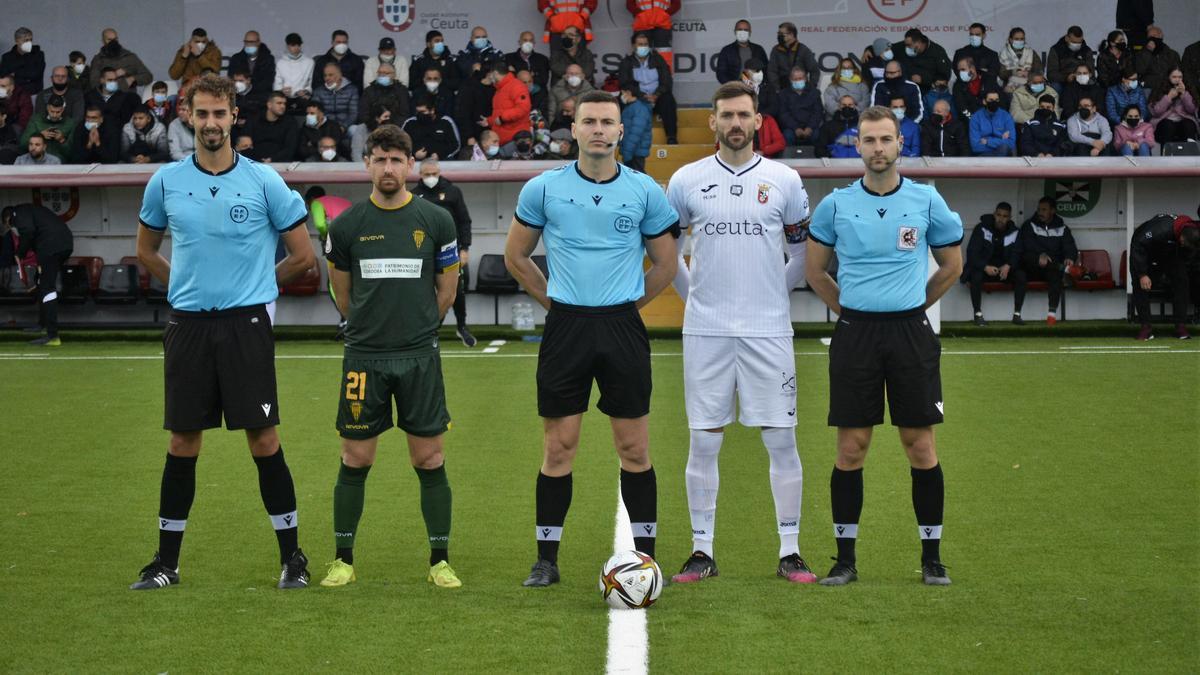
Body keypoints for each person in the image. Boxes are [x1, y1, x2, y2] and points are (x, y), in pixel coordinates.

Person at [130, 74, 316, 590]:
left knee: (263, 440)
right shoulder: (165, 181)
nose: (211, 123)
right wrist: (183, 286)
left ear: (235, 116)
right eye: (202, 113)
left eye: (220, 113)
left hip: (245, 326)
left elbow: (303, 257)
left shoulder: (264, 181)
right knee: (183, 442)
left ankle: (292, 559)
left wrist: (257, 289)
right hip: (188, 326)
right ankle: (166, 563)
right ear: (188, 116)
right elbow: (146, 250)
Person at [503, 89, 679, 587]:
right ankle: (547, 560)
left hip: (621, 327)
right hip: (566, 328)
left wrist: (624, 307)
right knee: (559, 446)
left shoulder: (644, 190)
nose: (599, 129)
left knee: (634, 447)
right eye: (589, 121)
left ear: (621, 131)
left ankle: (646, 560)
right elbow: (518, 257)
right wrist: (553, 304)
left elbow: (666, 264)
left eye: (607, 121)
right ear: (574, 128)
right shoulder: (544, 188)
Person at [805, 105, 963, 587]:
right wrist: (849, 312)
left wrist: (915, 304)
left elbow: (951, 266)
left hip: (910, 334)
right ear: (858, 145)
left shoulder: (928, 200)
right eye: (868, 140)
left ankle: (932, 558)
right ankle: (844, 560)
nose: (877, 148)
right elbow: (815, 272)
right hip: (856, 335)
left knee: (920, 445)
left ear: (900, 144)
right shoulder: (835, 204)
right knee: (851, 448)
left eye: (885, 140)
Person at [664, 80, 814, 585]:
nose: (734, 123)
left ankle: (790, 551)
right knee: (703, 443)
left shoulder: (785, 180)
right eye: (725, 115)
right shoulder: (685, 180)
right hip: (705, 333)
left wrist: (775, 295)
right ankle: (701, 551)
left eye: (742, 115)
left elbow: (802, 256)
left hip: (768, 332)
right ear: (712, 121)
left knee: (781, 440)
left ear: (756, 121)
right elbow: (666, 254)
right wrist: (694, 299)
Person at [318, 124, 464, 590]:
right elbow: (342, 292)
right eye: (379, 159)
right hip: (365, 357)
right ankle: (343, 559)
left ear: (409, 167)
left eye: (396, 160)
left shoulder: (436, 221)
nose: (387, 168)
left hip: (420, 356)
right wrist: (369, 327)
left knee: (429, 457)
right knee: (355, 457)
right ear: (367, 164)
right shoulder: (346, 226)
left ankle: (439, 560)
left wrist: (420, 326)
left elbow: (448, 286)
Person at [412, 158, 476, 347]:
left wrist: (464, 248)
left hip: (450, 251)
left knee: (457, 290)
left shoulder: (453, 192)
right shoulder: (413, 195)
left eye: (434, 174)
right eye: (427, 174)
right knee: (426, 292)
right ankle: (432, 328)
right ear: (420, 175)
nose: (431, 177)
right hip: (424, 251)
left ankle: (462, 326)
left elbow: (464, 221)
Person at [1, 203, 72, 345]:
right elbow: (33, 238)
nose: (12, 230)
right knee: (41, 282)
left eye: (9, 226)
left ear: (8, 219)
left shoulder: (18, 214)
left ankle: (53, 336)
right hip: (62, 245)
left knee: (47, 288)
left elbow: (27, 231)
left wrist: (19, 253)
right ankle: (42, 325)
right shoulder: (32, 212)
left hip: (51, 247)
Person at [1130, 211, 1198, 340]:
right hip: (1144, 252)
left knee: (1182, 280)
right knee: (1140, 285)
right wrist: (1142, 274)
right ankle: (1146, 327)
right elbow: (1138, 246)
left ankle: (1180, 326)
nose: (1184, 244)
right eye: (1184, 242)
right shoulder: (1160, 229)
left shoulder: (1190, 232)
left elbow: (1188, 254)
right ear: (1181, 236)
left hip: (1168, 254)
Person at [962, 202, 1026, 326]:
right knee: (976, 275)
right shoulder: (981, 228)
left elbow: (1018, 252)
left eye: (1005, 216)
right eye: (998, 215)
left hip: (1004, 271)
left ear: (1009, 218)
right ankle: (977, 314)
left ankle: (1017, 315)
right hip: (985, 269)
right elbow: (972, 253)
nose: (1001, 219)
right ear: (994, 214)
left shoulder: (1015, 232)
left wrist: (1008, 265)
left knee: (1021, 275)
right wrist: (985, 266)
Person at [1016, 197, 1077, 325]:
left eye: (1044, 209)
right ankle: (1063, 269)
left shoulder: (1062, 228)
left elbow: (1069, 246)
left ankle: (1051, 315)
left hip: (1050, 268)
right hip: (1032, 267)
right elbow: (1027, 245)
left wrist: (1070, 258)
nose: (1040, 212)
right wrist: (1040, 254)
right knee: (1029, 257)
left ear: (1053, 211)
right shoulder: (1029, 225)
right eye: (1039, 209)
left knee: (1055, 274)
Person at [618, 32, 677, 144]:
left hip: (656, 99)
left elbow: (667, 81)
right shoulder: (626, 62)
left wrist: (656, 95)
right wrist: (641, 96)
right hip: (637, 99)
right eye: (640, 44)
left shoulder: (658, 60)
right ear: (633, 46)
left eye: (645, 44)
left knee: (668, 99)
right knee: (622, 99)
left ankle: (671, 137)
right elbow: (624, 83)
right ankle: (621, 137)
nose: (643, 47)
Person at [484, 60, 531, 146]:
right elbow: (500, 112)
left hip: (515, 140)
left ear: (495, 73)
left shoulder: (516, 86)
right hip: (503, 139)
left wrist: (503, 118)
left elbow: (523, 108)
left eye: (490, 74)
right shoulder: (500, 89)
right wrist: (489, 121)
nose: (489, 77)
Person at [402, 96, 461, 161]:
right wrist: (414, 154)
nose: (419, 115)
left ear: (432, 110)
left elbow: (455, 145)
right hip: (415, 161)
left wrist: (439, 155)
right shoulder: (410, 123)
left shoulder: (446, 122)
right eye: (418, 112)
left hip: (442, 161)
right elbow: (401, 143)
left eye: (423, 112)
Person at [247, 91, 300, 163]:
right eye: (279, 103)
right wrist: (258, 160)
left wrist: (272, 159)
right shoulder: (254, 120)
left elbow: (290, 148)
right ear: (269, 105)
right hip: (254, 163)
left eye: (284, 103)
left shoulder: (290, 122)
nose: (283, 106)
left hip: (280, 163)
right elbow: (245, 143)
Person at [1148, 68, 1199, 143]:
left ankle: (1190, 150)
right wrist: (1169, 97)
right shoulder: (1160, 89)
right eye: (1174, 77)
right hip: (1164, 122)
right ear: (1168, 77)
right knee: (1168, 126)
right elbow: (1156, 112)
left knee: (1189, 124)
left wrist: (1184, 94)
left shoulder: (1189, 88)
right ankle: (1167, 152)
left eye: (1180, 77)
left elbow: (1192, 110)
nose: (1177, 79)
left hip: (1183, 122)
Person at [777, 66, 822, 147]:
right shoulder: (783, 94)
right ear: (790, 80)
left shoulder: (814, 92)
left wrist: (810, 127)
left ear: (805, 79)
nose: (798, 81)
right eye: (795, 79)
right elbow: (783, 114)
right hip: (791, 128)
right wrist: (796, 128)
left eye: (800, 78)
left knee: (817, 135)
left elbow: (817, 112)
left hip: (811, 126)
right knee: (787, 136)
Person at [20, 95, 75, 162]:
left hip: (60, 164)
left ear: (63, 109)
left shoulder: (70, 123)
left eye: (58, 112)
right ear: (47, 108)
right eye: (52, 111)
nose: (54, 115)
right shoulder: (36, 120)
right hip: (37, 161)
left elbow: (73, 153)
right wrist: (40, 136)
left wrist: (62, 140)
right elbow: (22, 144)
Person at [767, 23, 819, 92]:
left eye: (781, 34)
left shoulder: (803, 49)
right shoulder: (775, 50)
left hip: (801, 89)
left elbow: (814, 70)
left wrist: (810, 89)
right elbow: (772, 71)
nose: (778, 36)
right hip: (782, 89)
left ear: (791, 35)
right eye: (778, 33)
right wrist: (777, 88)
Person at [410, 31, 461, 99]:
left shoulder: (451, 60)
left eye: (442, 41)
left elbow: (457, 83)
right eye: (437, 41)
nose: (440, 43)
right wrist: (427, 81)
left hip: (445, 99)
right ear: (428, 44)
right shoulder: (418, 61)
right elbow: (411, 84)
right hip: (423, 98)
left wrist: (439, 81)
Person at [628, 0, 679, 67]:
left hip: (662, 24)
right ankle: (640, 76)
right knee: (641, 53)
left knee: (664, 54)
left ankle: (665, 76)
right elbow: (629, 4)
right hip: (642, 24)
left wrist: (665, 14)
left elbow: (676, 4)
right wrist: (640, 14)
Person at [716, 19, 768, 85]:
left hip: (756, 88)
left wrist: (761, 85)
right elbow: (721, 73)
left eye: (746, 30)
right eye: (740, 29)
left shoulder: (758, 49)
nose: (743, 32)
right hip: (735, 89)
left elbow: (766, 70)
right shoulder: (727, 50)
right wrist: (732, 86)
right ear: (735, 32)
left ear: (750, 32)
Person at [275, 33, 314, 115]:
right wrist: (282, 91)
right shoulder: (280, 63)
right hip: (284, 98)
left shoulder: (309, 62)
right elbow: (277, 84)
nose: (296, 47)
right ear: (287, 46)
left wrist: (306, 91)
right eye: (293, 45)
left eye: (298, 45)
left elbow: (311, 83)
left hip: (303, 100)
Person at [952, 57, 1002, 122]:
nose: (960, 73)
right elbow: (962, 108)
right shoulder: (958, 86)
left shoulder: (989, 79)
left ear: (972, 68)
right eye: (959, 71)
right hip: (970, 123)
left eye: (963, 69)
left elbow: (1000, 100)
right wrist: (975, 121)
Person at [952, 23, 1001, 89]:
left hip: (985, 90)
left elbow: (993, 74)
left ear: (984, 36)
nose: (974, 37)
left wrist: (971, 71)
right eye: (971, 34)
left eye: (977, 35)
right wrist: (981, 70)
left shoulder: (992, 54)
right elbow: (957, 72)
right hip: (964, 89)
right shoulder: (960, 53)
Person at [1046, 26, 1094, 92]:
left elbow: (1091, 72)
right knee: (1055, 86)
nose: (1077, 45)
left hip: (1082, 80)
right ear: (1067, 38)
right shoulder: (1056, 50)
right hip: (1062, 82)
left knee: (1093, 84)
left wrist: (1082, 76)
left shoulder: (1086, 50)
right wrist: (1066, 78)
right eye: (1074, 42)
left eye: (1079, 42)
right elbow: (1051, 74)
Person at [1135, 26, 1182, 93]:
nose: (1152, 39)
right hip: (1148, 88)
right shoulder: (1141, 54)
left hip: (1167, 88)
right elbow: (1140, 70)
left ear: (1161, 36)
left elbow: (1177, 73)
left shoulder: (1172, 54)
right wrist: (1148, 52)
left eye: (1154, 35)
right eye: (1150, 37)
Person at [228, 31, 276, 96]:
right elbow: (231, 77)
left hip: (261, 98)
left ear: (258, 42)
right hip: (239, 97)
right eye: (246, 42)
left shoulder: (268, 59)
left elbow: (268, 81)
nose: (248, 45)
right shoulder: (236, 58)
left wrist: (250, 86)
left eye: (251, 42)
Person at [313, 62, 360, 129]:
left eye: (330, 75)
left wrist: (343, 127)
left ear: (340, 75)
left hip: (345, 127)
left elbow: (353, 114)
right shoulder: (318, 91)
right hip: (325, 127)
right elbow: (315, 112)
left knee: (354, 129)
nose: (327, 78)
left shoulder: (352, 90)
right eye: (325, 75)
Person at [969, 90, 1016, 157]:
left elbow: (1011, 143)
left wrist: (988, 142)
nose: (994, 102)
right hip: (983, 155)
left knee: (1004, 148)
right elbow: (975, 147)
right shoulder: (976, 118)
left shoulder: (1006, 116)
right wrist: (1001, 141)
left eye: (996, 100)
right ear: (984, 101)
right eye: (991, 100)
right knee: (1003, 148)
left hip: (1003, 152)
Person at [0, 27, 45, 93]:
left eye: (31, 40)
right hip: (13, 95)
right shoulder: (7, 57)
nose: (29, 43)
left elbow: (36, 74)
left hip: (33, 94)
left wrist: (15, 74)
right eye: (26, 40)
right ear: (17, 41)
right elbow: (4, 77)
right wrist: (26, 75)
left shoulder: (38, 55)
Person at [998, 27, 1042, 93]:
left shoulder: (1031, 52)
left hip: (1030, 83)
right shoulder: (1003, 53)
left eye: (1022, 39)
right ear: (1010, 39)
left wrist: (1027, 74)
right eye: (1016, 39)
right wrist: (1014, 72)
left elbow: (1038, 70)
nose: (1019, 41)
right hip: (1009, 85)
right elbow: (1001, 74)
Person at [618, 86, 651, 171]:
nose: (621, 95)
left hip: (635, 152)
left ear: (629, 93)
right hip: (632, 150)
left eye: (623, 93)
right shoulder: (631, 107)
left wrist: (627, 152)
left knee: (638, 178)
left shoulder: (639, 109)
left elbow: (636, 133)